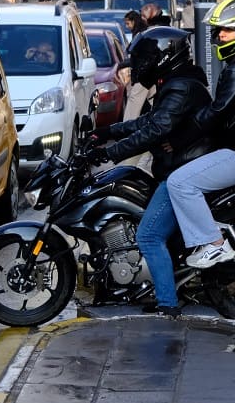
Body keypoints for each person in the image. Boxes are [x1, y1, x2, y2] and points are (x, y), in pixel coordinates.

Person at [90, 27, 214, 317]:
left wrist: (110, 152)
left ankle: (167, 304)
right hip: (179, 166)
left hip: (181, 171)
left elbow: (155, 130)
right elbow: (148, 121)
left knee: (148, 236)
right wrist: (108, 132)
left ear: (163, 57)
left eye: (144, 59)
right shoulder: (178, 83)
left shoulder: (181, 87)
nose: (139, 66)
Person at [165, 0, 235, 269]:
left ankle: (214, 245)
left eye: (228, 30)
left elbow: (216, 112)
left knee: (179, 183)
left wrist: (178, 139)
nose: (220, 36)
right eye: (219, 30)